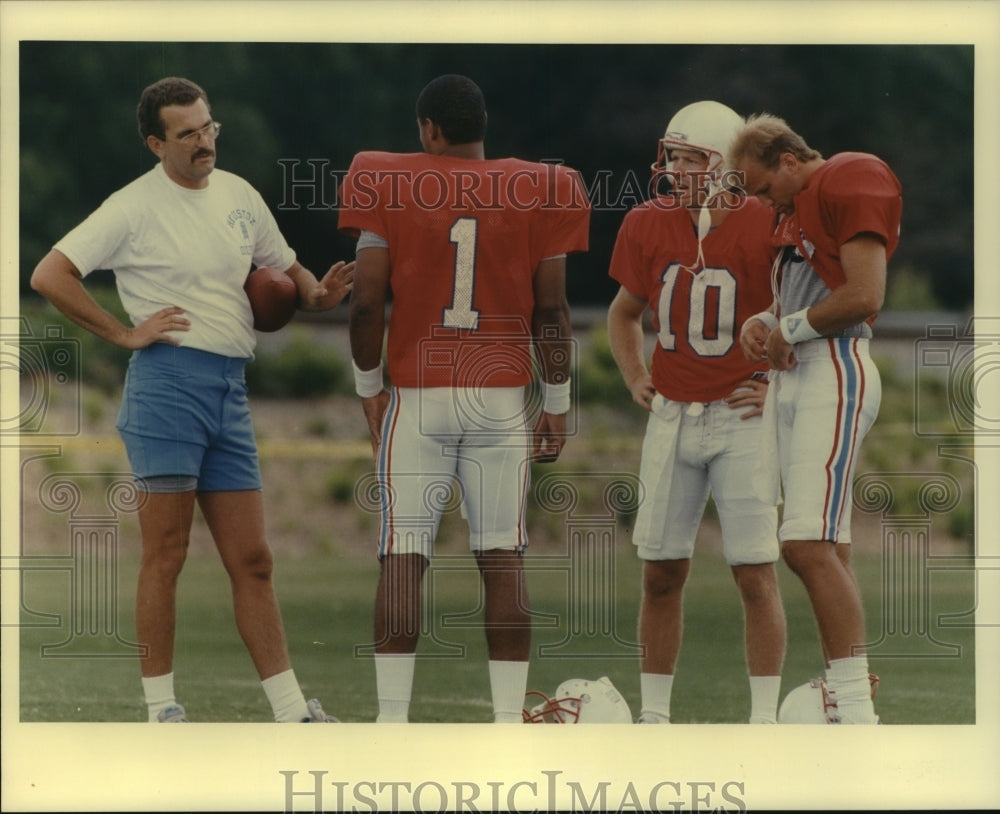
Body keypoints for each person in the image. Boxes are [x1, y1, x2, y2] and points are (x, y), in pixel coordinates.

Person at [30, 76, 354, 723]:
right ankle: (162, 711)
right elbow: (49, 273)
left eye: (209, 128)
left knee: (255, 560)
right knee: (167, 554)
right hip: (166, 385)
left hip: (230, 389)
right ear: (156, 143)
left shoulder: (239, 195)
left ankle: (293, 713)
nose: (204, 143)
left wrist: (319, 296)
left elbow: (289, 277)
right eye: (188, 135)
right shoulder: (131, 207)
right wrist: (124, 332)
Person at [338, 74, 590, 723]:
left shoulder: (383, 177)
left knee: (403, 554)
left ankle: (392, 723)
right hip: (499, 396)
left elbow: (366, 301)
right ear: (483, 127)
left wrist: (368, 386)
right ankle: (508, 723)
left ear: (429, 130)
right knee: (502, 556)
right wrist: (557, 399)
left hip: (418, 395)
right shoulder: (547, 186)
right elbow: (553, 310)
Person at [607, 101, 787, 724]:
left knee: (754, 572)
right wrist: (635, 374)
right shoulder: (646, 224)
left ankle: (763, 721)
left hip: (741, 416)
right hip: (674, 415)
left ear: (724, 166)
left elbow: (805, 309)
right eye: (674, 157)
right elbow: (623, 312)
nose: (676, 169)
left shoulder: (767, 222)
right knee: (660, 571)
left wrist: (777, 385)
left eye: (691, 158)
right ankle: (654, 719)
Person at [727, 113, 902, 724]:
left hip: (836, 365)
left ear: (789, 161)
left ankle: (854, 709)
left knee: (805, 544)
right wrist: (763, 321)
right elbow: (800, 299)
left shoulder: (848, 174)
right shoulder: (795, 210)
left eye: (759, 184)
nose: (758, 199)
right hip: (801, 373)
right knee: (829, 545)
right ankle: (843, 696)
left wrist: (790, 328)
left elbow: (864, 296)